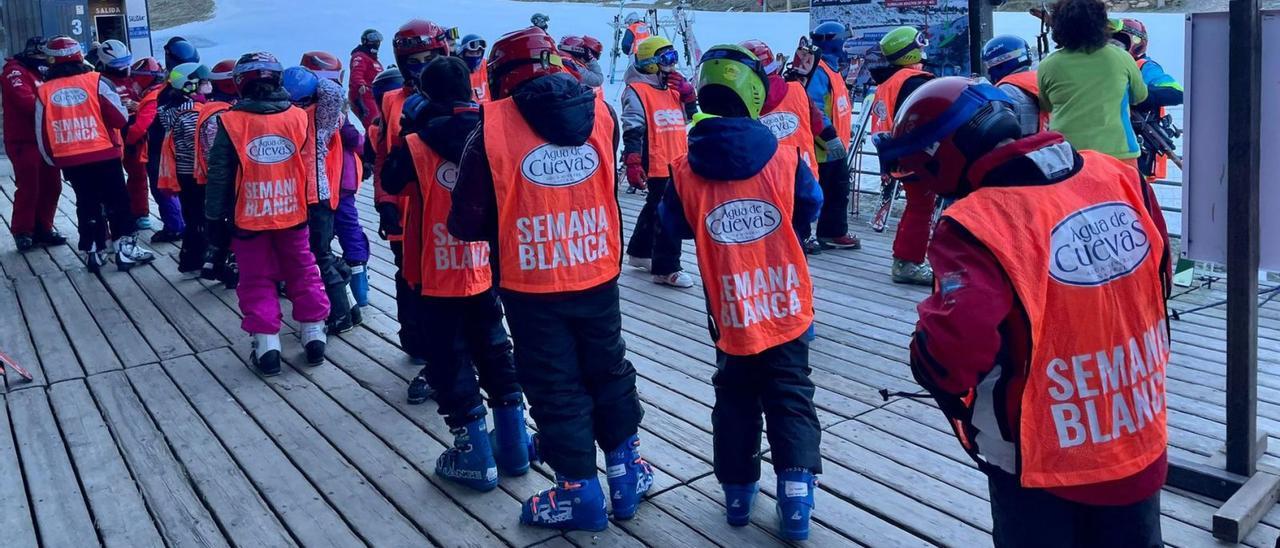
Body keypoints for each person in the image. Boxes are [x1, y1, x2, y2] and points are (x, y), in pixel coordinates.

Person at [872, 77, 1171, 547]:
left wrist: (923, 358)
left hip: (1041, 456)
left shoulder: (976, 224)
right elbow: (1161, 278)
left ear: (943, 154)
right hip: (1136, 426)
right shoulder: (1118, 175)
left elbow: (954, 352)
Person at [449, 27, 653, 531]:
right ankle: (627, 473)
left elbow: (466, 222)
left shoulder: (491, 128)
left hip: (532, 282)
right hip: (596, 268)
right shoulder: (600, 111)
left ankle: (579, 492)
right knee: (608, 369)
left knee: (555, 384)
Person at [659, 44, 824, 541]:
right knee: (791, 394)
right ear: (753, 92)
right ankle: (796, 502)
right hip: (788, 305)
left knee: (734, 397)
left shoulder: (685, 168)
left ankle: (737, 495)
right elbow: (810, 208)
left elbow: (675, 227)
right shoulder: (788, 157)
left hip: (730, 312)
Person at [380, 56, 533, 489]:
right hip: (486, 264)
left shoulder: (417, 142)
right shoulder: (491, 133)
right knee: (495, 347)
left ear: (426, 96)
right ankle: (514, 446)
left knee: (449, 358)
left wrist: (409, 129)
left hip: (435, 268)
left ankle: (474, 456)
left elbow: (391, 181)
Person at [205, 52, 329, 377]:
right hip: (294, 211)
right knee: (303, 268)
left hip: (249, 216)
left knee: (256, 278)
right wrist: (316, 206)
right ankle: (314, 332)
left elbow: (219, 173)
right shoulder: (299, 117)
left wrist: (214, 216)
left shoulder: (231, 122)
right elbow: (312, 166)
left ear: (239, 85)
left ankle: (267, 343)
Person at [35, 36, 154, 272]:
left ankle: (94, 250)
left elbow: (41, 131)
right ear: (79, 55)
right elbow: (119, 119)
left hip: (69, 158)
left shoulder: (44, 90)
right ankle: (126, 249)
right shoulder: (97, 81)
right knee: (117, 200)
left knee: (86, 202)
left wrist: (52, 159)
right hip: (103, 152)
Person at [378, 19, 451, 364]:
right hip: (407, 209)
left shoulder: (459, 91)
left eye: (429, 58)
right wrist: (385, 201)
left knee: (454, 285)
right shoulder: (393, 100)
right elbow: (384, 154)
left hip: (451, 209)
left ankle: (451, 356)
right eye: (414, 61)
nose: (422, 67)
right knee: (410, 279)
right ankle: (418, 347)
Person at [283, 66, 359, 333]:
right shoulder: (325, 116)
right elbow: (334, 91)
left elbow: (333, 91)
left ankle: (341, 316)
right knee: (322, 252)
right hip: (320, 195)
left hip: (311, 196)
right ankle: (351, 306)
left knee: (319, 255)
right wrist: (316, 81)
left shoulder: (302, 119)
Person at [621, 36, 696, 289]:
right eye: (667, 60)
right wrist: (632, 160)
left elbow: (691, 117)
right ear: (652, 63)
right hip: (655, 160)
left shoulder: (673, 87)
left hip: (676, 159)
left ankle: (640, 252)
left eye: (674, 58)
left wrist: (688, 95)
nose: (673, 66)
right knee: (669, 215)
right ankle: (666, 268)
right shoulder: (637, 91)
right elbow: (632, 128)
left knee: (656, 207)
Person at [1038, 0, 1147, 165]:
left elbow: (1046, 106)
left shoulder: (1048, 65)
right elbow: (1139, 96)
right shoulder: (1121, 57)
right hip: (1119, 152)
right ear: (1102, 24)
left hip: (1068, 155)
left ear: (1059, 27)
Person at [302, 51, 371, 311]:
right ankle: (359, 289)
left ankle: (339, 289)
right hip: (341, 182)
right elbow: (356, 140)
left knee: (322, 236)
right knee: (350, 230)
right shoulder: (333, 109)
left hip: (324, 184)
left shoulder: (306, 109)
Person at [874, 26, 936, 285]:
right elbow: (924, 118)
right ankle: (908, 263)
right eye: (919, 45)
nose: (923, 50)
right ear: (908, 52)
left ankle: (904, 258)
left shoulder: (890, 81)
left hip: (895, 152)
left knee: (916, 206)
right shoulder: (914, 83)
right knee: (922, 207)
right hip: (914, 153)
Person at [801, 21, 861, 252]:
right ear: (833, 41)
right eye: (843, 38)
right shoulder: (819, 69)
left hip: (834, 145)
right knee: (822, 191)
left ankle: (830, 232)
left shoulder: (830, 68)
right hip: (823, 147)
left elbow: (835, 106)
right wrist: (829, 136)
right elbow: (812, 106)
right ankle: (816, 234)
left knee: (837, 189)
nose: (846, 43)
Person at [2, 37, 66, 252]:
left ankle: (43, 228)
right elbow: (26, 101)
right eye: (46, 55)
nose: (50, 60)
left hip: (47, 138)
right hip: (24, 139)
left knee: (52, 186)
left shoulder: (44, 71)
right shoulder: (15, 71)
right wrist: (60, 109)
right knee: (29, 186)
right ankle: (23, 231)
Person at [156, 62, 211, 274]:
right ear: (190, 86)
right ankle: (194, 258)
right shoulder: (190, 114)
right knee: (199, 217)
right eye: (204, 82)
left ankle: (190, 258)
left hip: (185, 173)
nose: (208, 85)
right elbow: (198, 144)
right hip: (194, 174)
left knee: (193, 215)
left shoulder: (176, 109)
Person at [1113, 18, 1183, 181]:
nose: (1111, 50)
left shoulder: (1144, 67)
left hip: (1137, 148)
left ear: (1135, 43)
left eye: (1117, 44)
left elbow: (1176, 91)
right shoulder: (1104, 69)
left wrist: (1136, 95)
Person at [742, 39, 822, 179]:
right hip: (805, 177)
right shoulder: (798, 90)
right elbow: (818, 127)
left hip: (768, 183)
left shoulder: (741, 103)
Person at [196, 59, 241, 288]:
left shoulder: (209, 108)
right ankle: (231, 266)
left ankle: (212, 261)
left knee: (220, 222)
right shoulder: (223, 114)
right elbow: (222, 154)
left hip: (208, 176)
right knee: (231, 223)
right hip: (227, 179)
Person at [124, 57, 170, 232]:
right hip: (165, 149)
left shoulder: (151, 98)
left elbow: (141, 127)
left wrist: (127, 141)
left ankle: (173, 226)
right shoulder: (162, 92)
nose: (132, 82)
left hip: (155, 151)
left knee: (161, 190)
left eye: (135, 78)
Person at [982, 35, 1045, 136]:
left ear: (999, 63)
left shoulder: (1005, 90)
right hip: (1052, 147)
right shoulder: (1041, 80)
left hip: (1025, 149)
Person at [349, 28, 385, 129]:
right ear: (365, 40)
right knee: (374, 127)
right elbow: (356, 73)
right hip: (364, 96)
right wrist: (360, 84)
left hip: (376, 97)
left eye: (378, 38)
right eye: (373, 38)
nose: (376, 41)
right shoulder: (360, 56)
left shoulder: (374, 61)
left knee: (381, 125)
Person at [457, 34, 489, 102]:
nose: (475, 56)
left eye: (478, 53)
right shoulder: (456, 72)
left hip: (489, 111)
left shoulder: (487, 66)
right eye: (471, 53)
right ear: (462, 54)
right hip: (467, 111)